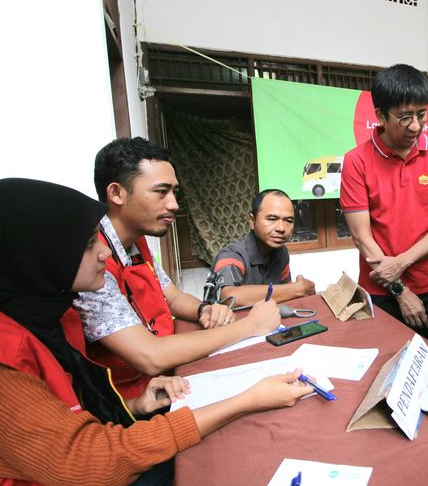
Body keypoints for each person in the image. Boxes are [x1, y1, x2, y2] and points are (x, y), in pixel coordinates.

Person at [0, 178, 312, 485]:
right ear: (31, 255)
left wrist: (134, 405)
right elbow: (90, 463)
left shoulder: (49, 311)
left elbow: (57, 420)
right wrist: (244, 400)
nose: (102, 253)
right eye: (85, 244)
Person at [73, 137, 281, 399]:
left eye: (174, 193)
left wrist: (204, 308)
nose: (174, 204)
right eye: (161, 192)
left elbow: (170, 295)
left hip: (165, 378)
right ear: (116, 193)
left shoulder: (136, 243)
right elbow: (150, 356)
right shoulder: (90, 262)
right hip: (132, 403)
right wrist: (250, 326)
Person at [340, 64, 428, 349]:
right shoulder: (357, 161)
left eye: (422, 114)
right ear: (381, 115)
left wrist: (402, 262)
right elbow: (362, 237)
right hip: (382, 290)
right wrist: (400, 289)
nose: (416, 126)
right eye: (405, 117)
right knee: (383, 373)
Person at [211, 189, 315, 307]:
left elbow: (286, 294)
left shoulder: (281, 252)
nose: (281, 228)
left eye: (289, 220)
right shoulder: (232, 254)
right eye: (271, 219)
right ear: (252, 221)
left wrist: (294, 290)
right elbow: (229, 297)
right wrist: (296, 289)